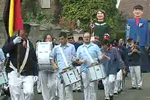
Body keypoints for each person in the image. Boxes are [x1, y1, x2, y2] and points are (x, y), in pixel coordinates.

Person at [2, 24, 38, 100]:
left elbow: (34, 59)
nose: (26, 34)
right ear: (20, 31)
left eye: (28, 32)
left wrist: (35, 73)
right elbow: (4, 50)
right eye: (25, 31)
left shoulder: (29, 44)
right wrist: (13, 43)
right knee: (15, 94)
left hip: (27, 73)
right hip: (14, 72)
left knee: (29, 92)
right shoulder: (12, 40)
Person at [76, 32, 108, 100]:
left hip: (94, 70)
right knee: (86, 86)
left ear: (90, 38)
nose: (86, 38)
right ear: (83, 38)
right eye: (85, 37)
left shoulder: (95, 47)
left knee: (93, 87)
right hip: (84, 69)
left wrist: (103, 57)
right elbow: (77, 59)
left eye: (88, 37)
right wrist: (81, 61)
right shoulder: (80, 48)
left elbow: (100, 57)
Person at [51, 32, 76, 100]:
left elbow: (74, 57)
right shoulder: (56, 48)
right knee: (61, 91)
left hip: (69, 71)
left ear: (66, 38)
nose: (60, 41)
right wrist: (54, 65)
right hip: (60, 72)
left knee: (69, 91)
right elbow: (51, 58)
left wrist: (75, 60)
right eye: (59, 39)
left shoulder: (72, 47)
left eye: (62, 39)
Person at [126, 5, 150, 71]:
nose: (137, 11)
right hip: (131, 43)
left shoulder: (145, 22)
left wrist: (148, 43)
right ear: (133, 11)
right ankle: (130, 69)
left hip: (142, 43)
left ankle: (144, 69)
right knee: (132, 56)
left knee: (142, 56)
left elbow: (147, 33)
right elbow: (127, 32)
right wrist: (127, 42)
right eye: (136, 10)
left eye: (139, 10)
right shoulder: (129, 21)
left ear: (142, 12)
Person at [37, 34, 57, 100]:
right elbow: (37, 55)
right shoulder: (40, 47)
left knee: (52, 85)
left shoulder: (55, 47)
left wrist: (55, 65)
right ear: (45, 39)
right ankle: (46, 98)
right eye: (47, 38)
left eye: (50, 38)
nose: (48, 40)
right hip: (43, 68)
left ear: (52, 39)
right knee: (44, 85)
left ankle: (52, 98)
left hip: (52, 69)